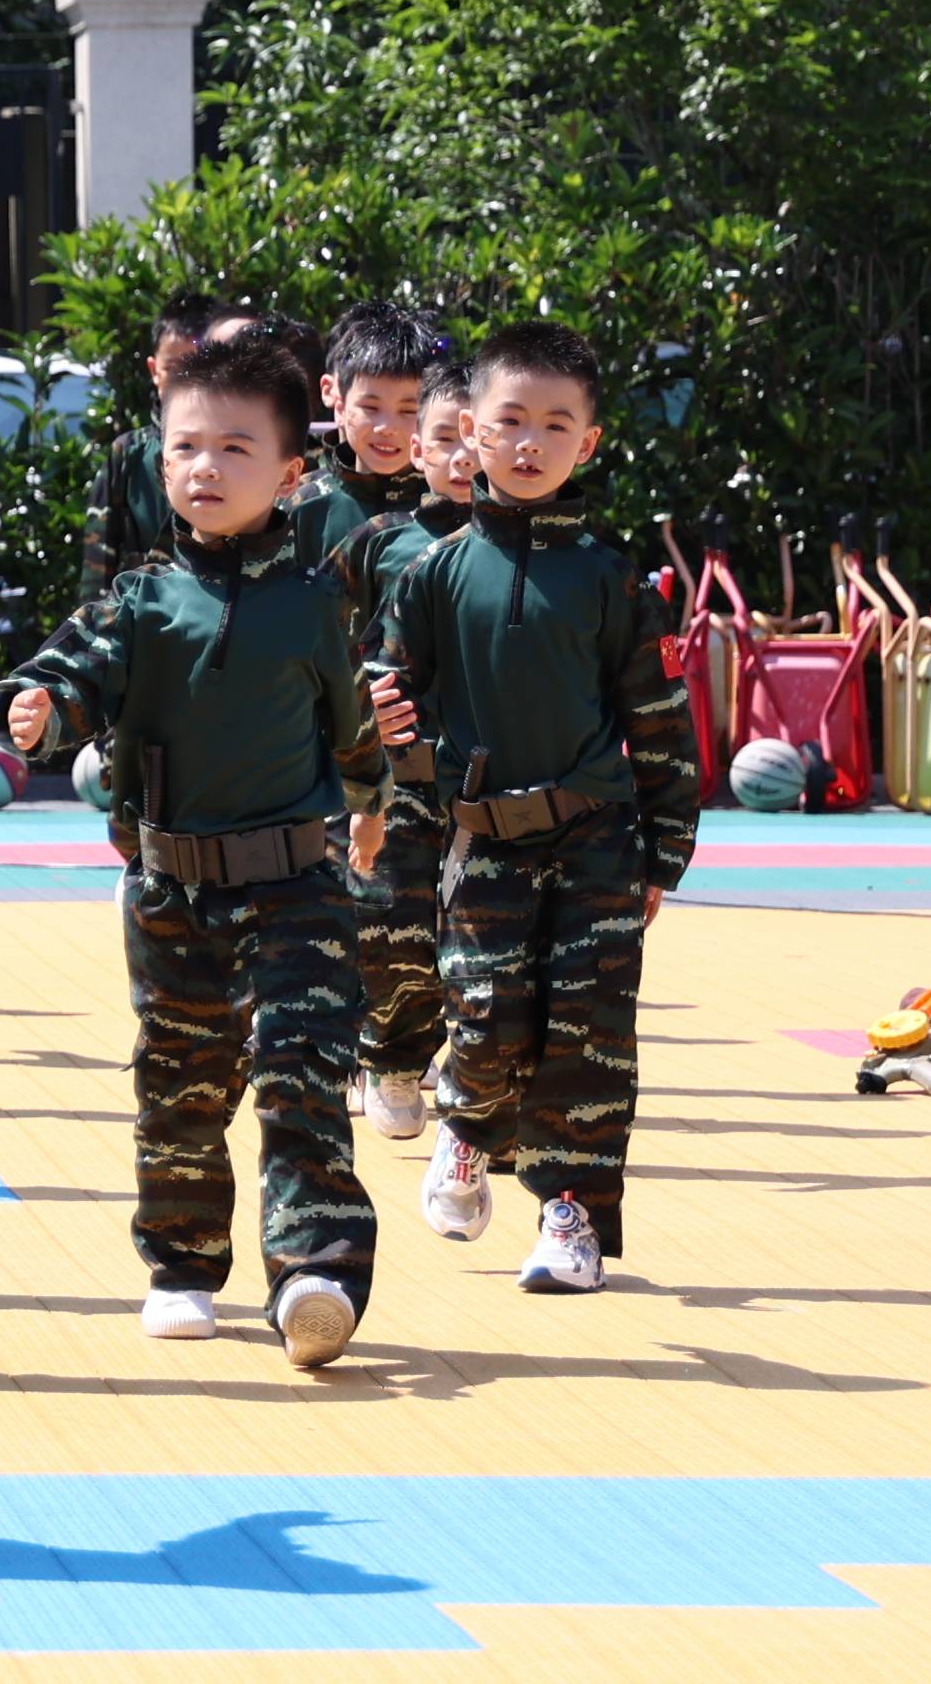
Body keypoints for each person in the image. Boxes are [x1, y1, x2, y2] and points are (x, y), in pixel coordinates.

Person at [0, 330, 397, 1367]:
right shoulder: (136, 599)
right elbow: (68, 672)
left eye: (234, 449)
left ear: (291, 473)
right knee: (181, 1081)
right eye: (185, 450)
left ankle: (317, 1272)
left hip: (297, 886)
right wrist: (39, 708)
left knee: (301, 1069)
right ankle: (181, 1263)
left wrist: (371, 799)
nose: (205, 469)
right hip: (170, 893)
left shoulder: (318, 601)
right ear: (159, 463)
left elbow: (353, 727)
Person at [374, 320, 700, 1295]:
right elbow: (390, 700)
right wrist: (389, 745)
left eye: (556, 425)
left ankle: (571, 1218)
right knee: (482, 1022)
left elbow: (660, 723)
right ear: (469, 430)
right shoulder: (430, 575)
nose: (530, 443)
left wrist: (663, 856)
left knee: (589, 1034)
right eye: (510, 419)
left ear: (587, 444)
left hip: (599, 838)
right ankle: (468, 1129)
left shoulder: (611, 577)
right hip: (482, 845)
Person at [330, 347, 476, 1139]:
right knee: (392, 936)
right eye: (443, 438)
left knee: (485, 945)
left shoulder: (522, 551)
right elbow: (324, 639)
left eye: (473, 437)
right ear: (418, 451)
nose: (460, 456)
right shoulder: (378, 542)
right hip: (396, 779)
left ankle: (479, 1081)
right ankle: (390, 1057)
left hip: (492, 784)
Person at [79, 291, 228, 598]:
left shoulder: (241, 451)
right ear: (153, 371)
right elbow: (98, 563)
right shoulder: (130, 453)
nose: (187, 380)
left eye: (199, 366)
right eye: (174, 368)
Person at [289, 302, 446, 561]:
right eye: (370, 407)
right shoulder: (302, 504)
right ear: (340, 404)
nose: (386, 428)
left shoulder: (446, 506)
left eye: (408, 411)